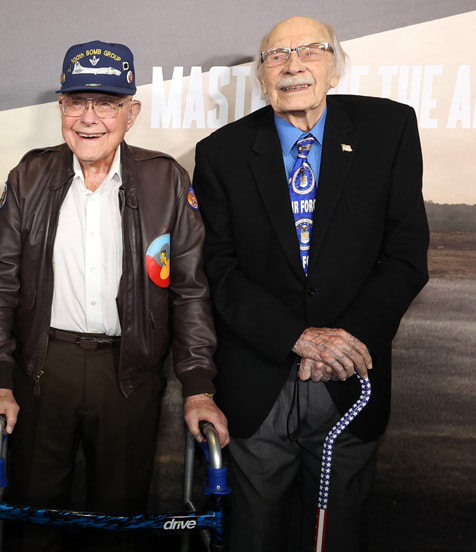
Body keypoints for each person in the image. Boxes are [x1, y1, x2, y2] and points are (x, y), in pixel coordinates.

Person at [0, 40, 230, 551]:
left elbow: (191, 292)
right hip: (43, 371)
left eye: (107, 103)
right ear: (61, 108)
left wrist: (199, 386)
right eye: (77, 101)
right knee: (34, 523)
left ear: (131, 112)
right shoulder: (29, 174)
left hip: (129, 375)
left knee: (120, 525)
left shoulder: (166, 181)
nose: (90, 118)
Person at [192, 16, 429, 552]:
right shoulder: (221, 153)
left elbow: (406, 255)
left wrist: (341, 344)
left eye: (310, 51)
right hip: (259, 382)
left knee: (336, 536)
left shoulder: (389, 130)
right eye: (277, 55)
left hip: (350, 375)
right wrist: (298, 337)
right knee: (252, 536)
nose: (293, 65)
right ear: (260, 75)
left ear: (335, 65)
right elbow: (219, 269)